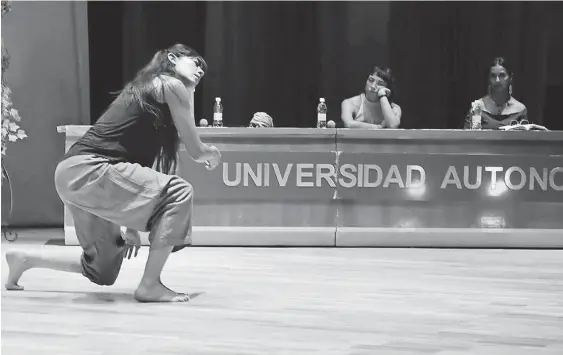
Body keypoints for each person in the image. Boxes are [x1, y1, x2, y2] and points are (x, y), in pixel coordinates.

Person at [4, 44, 221, 303]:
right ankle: (150, 286)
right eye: (195, 62)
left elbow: (135, 171)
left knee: (103, 270)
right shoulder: (169, 84)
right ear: (172, 59)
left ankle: (25, 259)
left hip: (71, 173)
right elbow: (197, 150)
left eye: (202, 70)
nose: (200, 69)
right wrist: (211, 152)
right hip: (91, 169)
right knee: (179, 192)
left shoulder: (150, 101)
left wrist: (130, 228)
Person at [464, 57, 528, 130]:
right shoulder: (477, 108)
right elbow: (468, 138)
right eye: (493, 76)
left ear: (510, 78)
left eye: (502, 75)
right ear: (488, 79)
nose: (497, 80)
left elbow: (523, 139)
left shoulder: (520, 110)